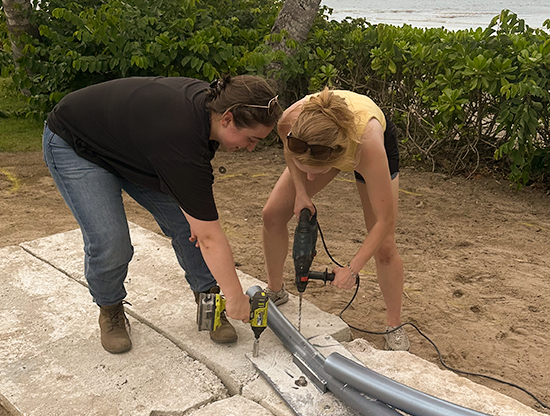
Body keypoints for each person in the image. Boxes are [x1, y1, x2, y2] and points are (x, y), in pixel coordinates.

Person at [43, 74, 282, 353]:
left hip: (136, 149)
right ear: (228, 119)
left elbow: (199, 224)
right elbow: (209, 238)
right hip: (77, 144)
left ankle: (210, 302)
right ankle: (110, 310)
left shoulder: (211, 113)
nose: (252, 148)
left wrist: (197, 221)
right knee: (111, 241)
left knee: (186, 224)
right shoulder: (181, 134)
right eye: (251, 139)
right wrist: (236, 296)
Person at [262, 87, 410, 351]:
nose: (311, 179)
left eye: (315, 173)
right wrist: (300, 193)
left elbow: (384, 221)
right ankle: (275, 290)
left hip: (367, 141)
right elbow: (289, 150)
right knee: (272, 214)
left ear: (336, 159)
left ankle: (394, 326)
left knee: (385, 247)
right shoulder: (290, 121)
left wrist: (352, 268)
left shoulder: (368, 147)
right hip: (322, 144)